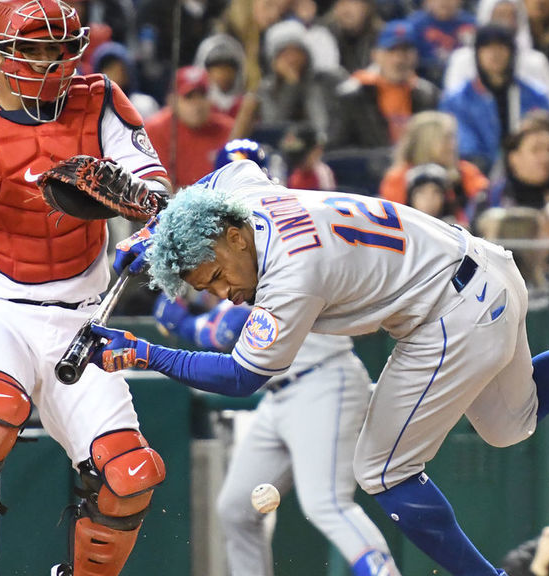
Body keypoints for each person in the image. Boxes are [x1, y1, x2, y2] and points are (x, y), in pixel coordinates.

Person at [87, 156, 549, 576]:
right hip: (488, 270)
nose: (222, 290)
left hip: (450, 312)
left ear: (234, 239)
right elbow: (235, 166)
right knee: (510, 423)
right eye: (208, 288)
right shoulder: (245, 200)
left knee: (380, 470)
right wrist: (159, 228)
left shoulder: (286, 276)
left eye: (218, 275)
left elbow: (240, 378)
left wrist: (142, 351)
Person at [0, 1, 171, 575]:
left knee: (131, 473)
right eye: (32, 48)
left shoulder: (100, 96)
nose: (48, 60)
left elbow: (156, 189)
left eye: (58, 48)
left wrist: (131, 197)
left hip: (82, 317)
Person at [151, 141, 402, 576]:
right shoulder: (232, 242)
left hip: (323, 381)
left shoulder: (271, 240)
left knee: (327, 504)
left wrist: (180, 321)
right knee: (234, 508)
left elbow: (225, 331)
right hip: (280, 396)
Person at [439, 23, 549, 173]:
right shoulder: (457, 100)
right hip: (477, 173)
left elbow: (548, 137)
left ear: (512, 52)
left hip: (528, 170)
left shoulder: (535, 96)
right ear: (477, 54)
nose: (494, 54)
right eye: (487, 48)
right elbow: (464, 145)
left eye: (501, 47)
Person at [328, 19, 440, 150]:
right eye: (391, 51)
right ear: (375, 55)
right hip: (369, 167)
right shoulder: (352, 95)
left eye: (405, 52)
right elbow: (336, 148)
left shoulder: (428, 94)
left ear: (416, 56)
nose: (399, 60)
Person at [379, 110, 488, 227]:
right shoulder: (398, 178)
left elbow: (486, 202)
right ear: (425, 142)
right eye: (446, 139)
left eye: (452, 138)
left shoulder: (466, 172)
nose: (452, 145)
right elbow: (393, 221)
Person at [144, 65, 234, 188]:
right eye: (189, 97)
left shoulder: (228, 129)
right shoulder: (154, 130)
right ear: (172, 101)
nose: (197, 104)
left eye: (202, 95)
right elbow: (156, 186)